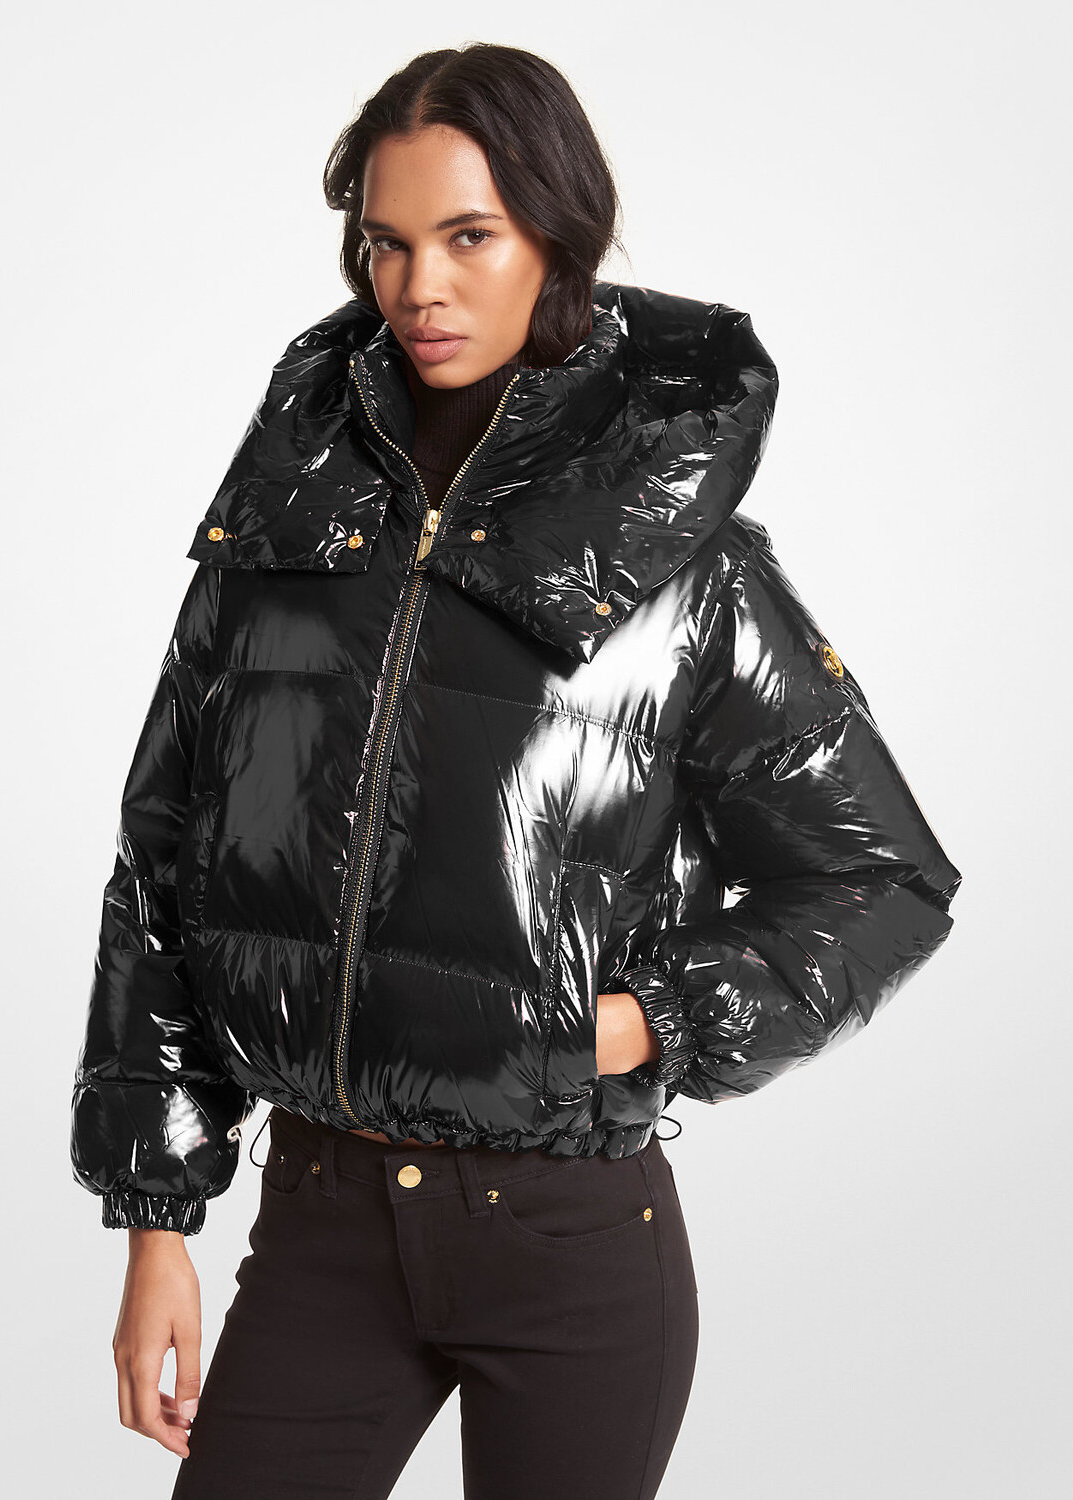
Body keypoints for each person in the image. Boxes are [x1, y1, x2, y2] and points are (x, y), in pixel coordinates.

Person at [69, 42, 962, 1500]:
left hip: (568, 1242)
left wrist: (642, 1023)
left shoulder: (685, 571)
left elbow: (879, 880)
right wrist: (154, 1221)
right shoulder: (284, 534)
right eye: (386, 242)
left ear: (557, 235)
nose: (418, 287)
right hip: (320, 1221)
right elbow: (163, 865)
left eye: (468, 237)